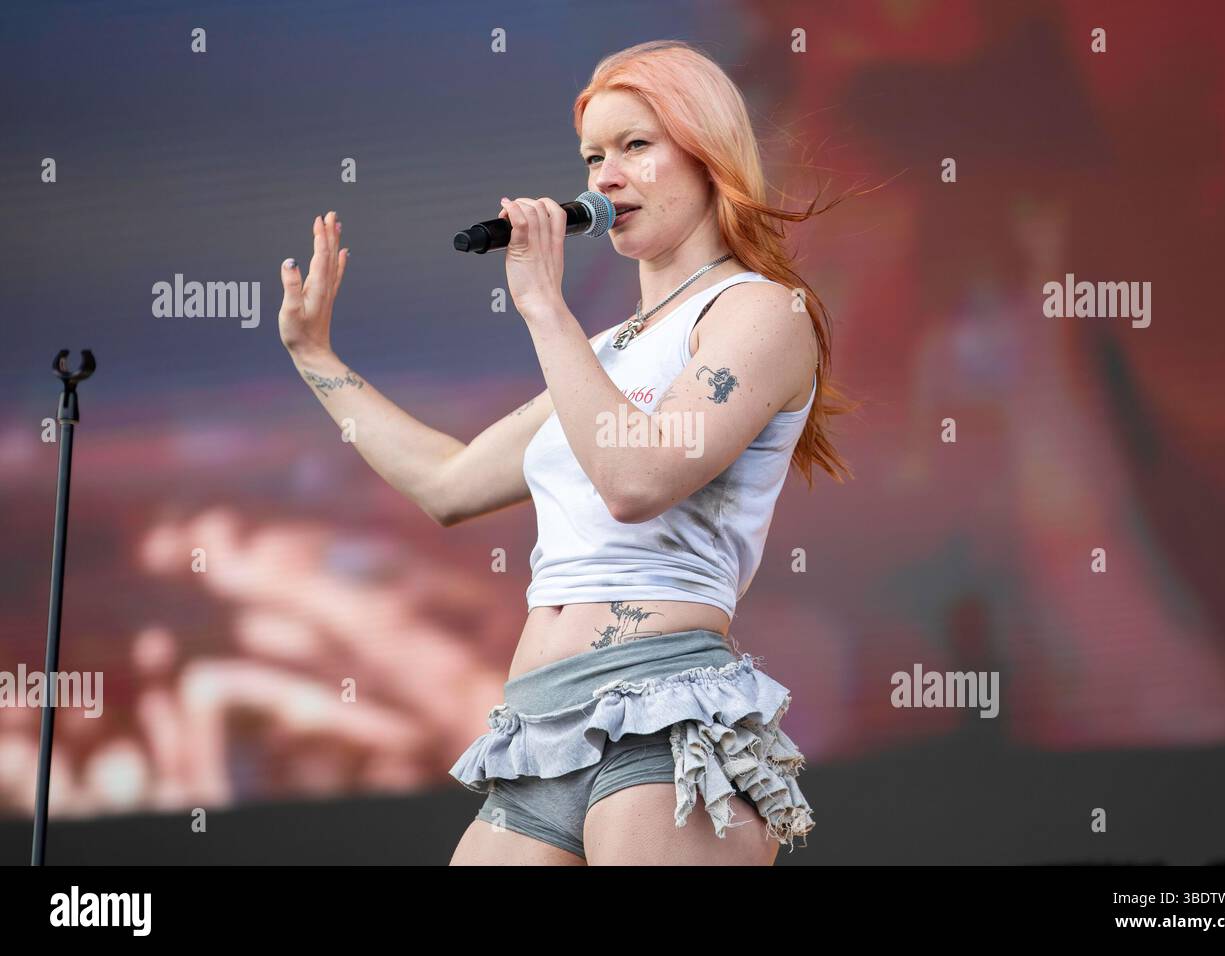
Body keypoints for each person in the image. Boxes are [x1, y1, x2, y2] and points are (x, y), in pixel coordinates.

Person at [276, 39, 860, 865]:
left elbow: (637, 479)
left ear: (707, 153)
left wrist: (543, 308)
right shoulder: (605, 354)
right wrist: (315, 359)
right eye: (593, 156)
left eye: (635, 146)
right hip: (537, 729)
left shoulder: (759, 313)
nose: (605, 177)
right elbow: (447, 482)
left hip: (662, 708)